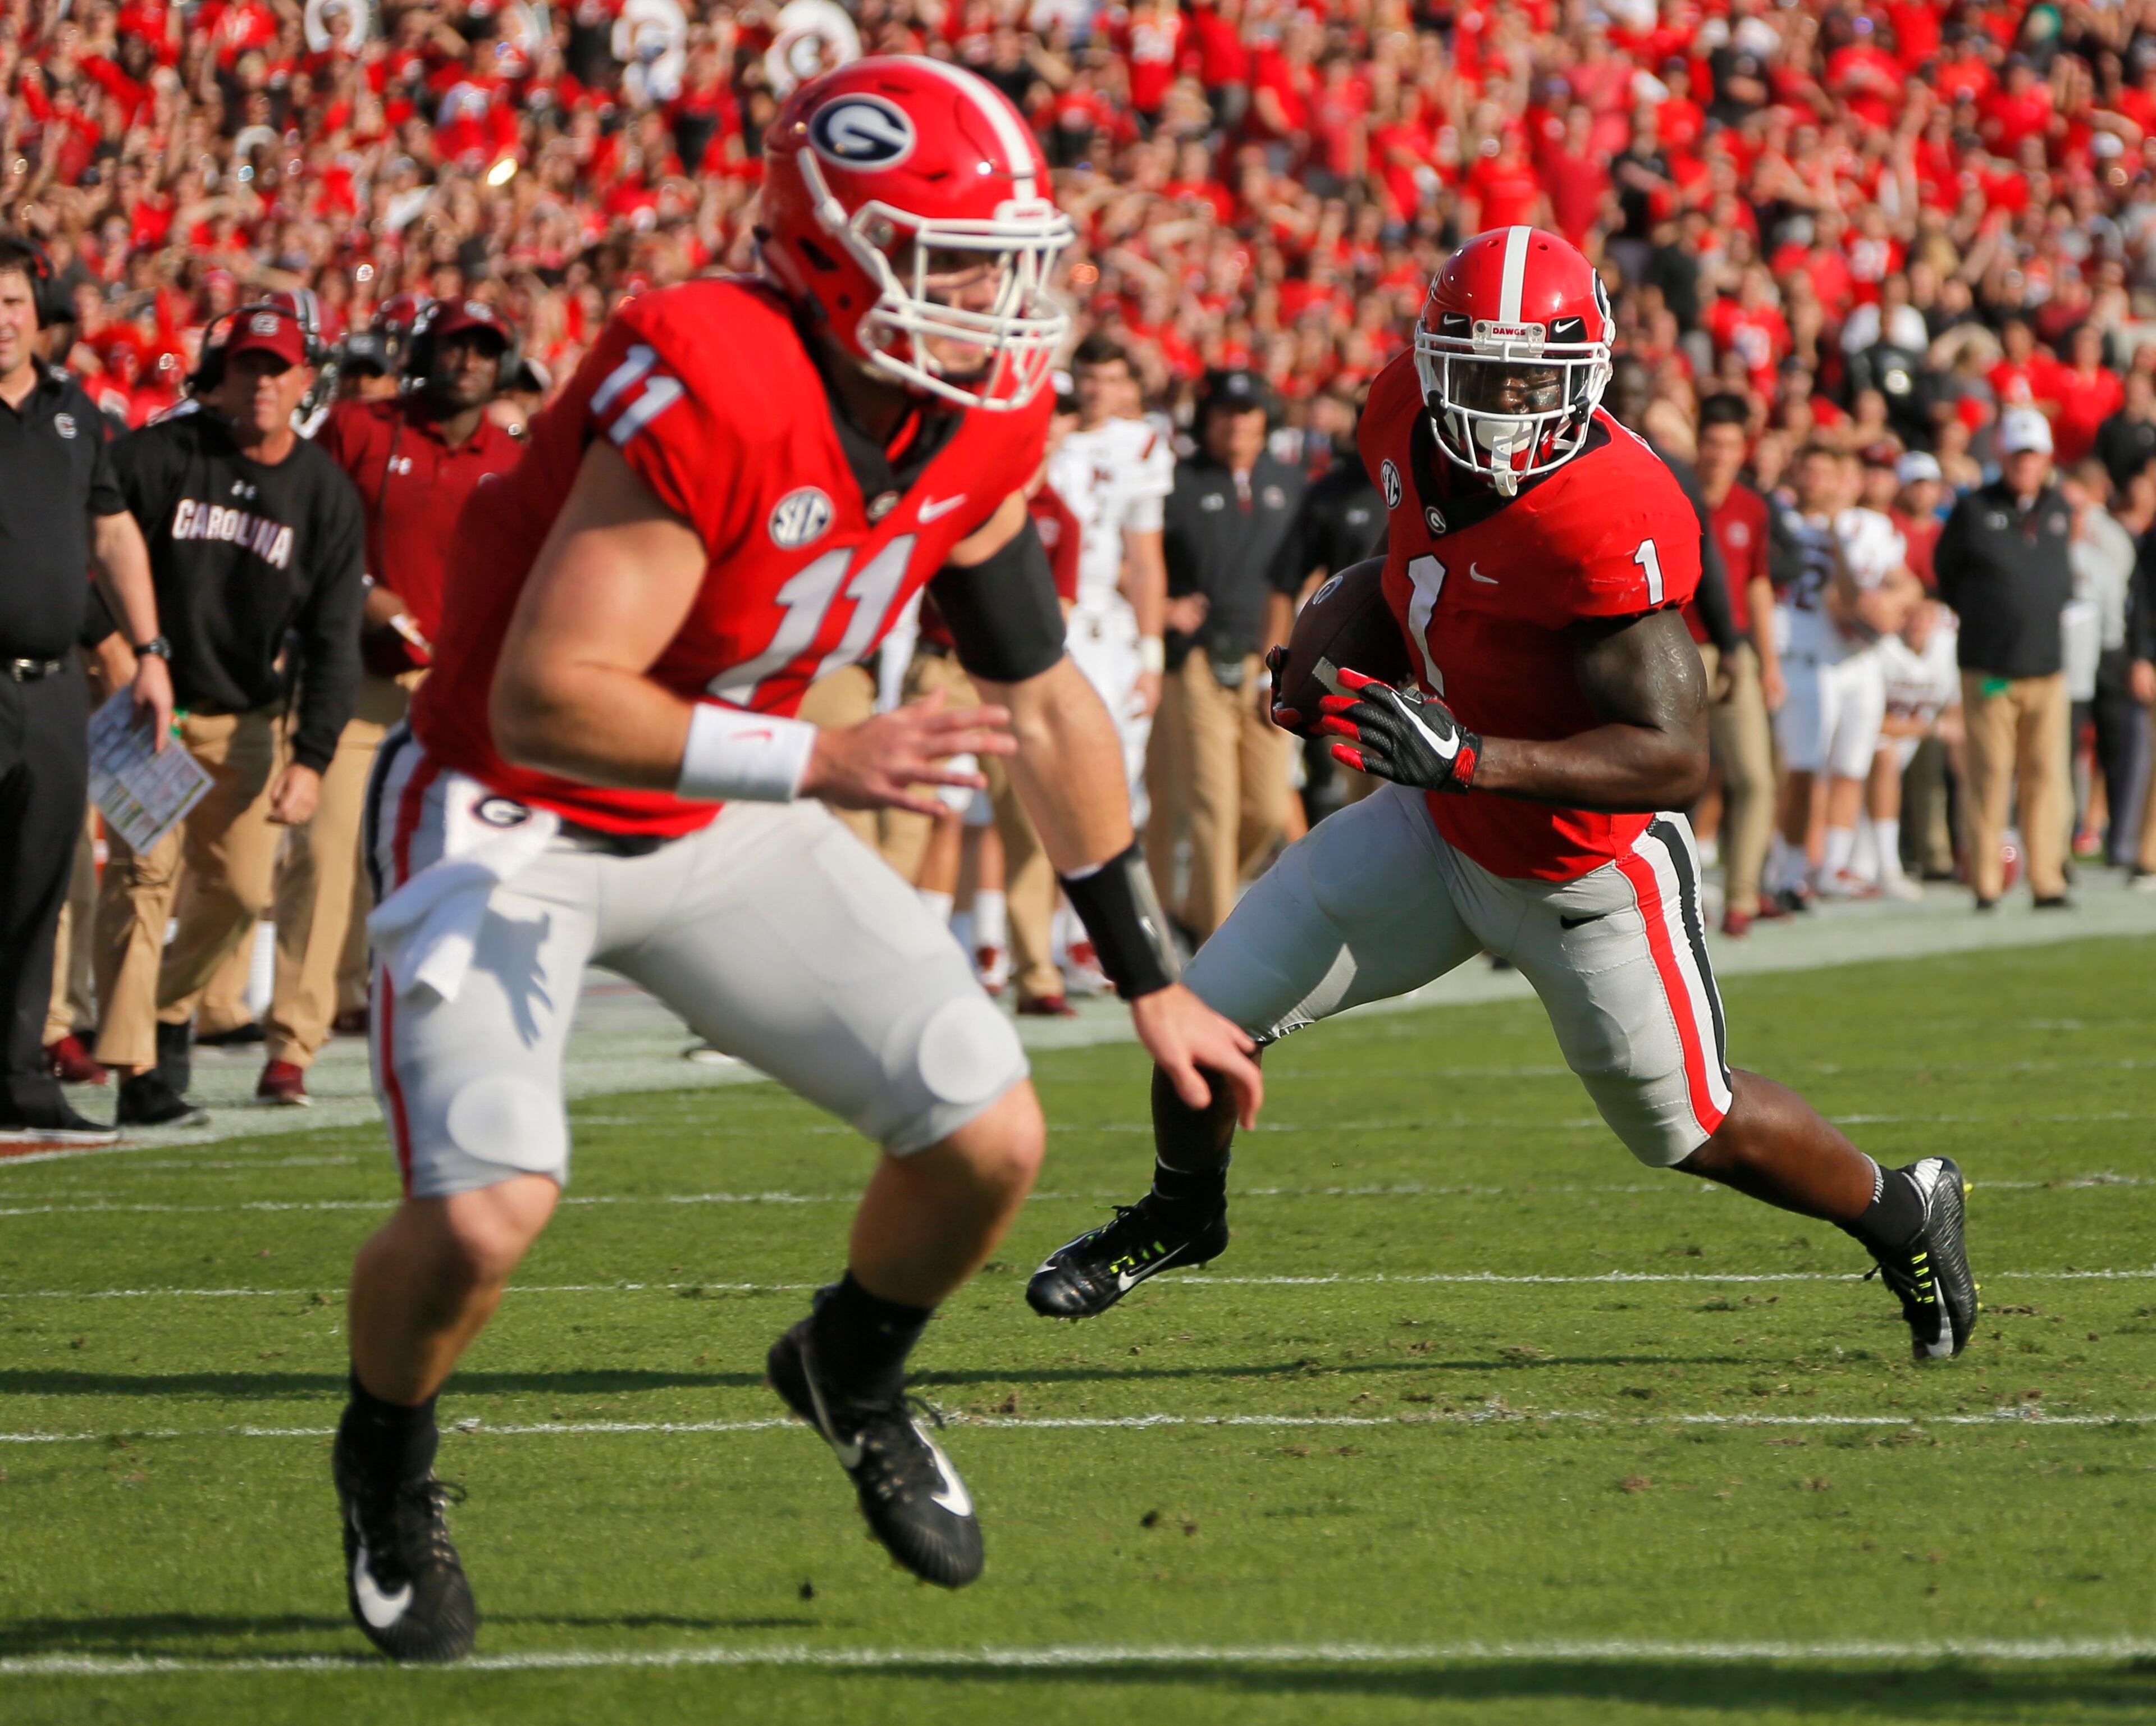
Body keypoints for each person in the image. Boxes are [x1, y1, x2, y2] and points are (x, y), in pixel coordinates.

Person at [331, 58, 1261, 1665]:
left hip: (719, 809)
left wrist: (1154, 982)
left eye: (1003, 261)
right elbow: (554, 695)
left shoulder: (977, 412)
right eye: (951, 259)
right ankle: (387, 1458)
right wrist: (818, 759)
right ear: (833, 248)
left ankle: (852, 1362)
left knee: (985, 1130)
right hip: (508, 808)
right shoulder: (712, 367)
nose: (992, 299)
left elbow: (1042, 692)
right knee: (486, 1214)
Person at [1027, 227, 1975, 1385]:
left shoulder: (1608, 512)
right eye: (1476, 374)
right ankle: (1182, 1211)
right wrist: (1337, 648)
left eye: (1532, 378)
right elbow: (1410, 569)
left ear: (1586, 374)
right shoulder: (1395, 419)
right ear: (1428, 364)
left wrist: (1472, 755)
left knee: (1690, 1126)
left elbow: (1675, 758)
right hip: (1435, 830)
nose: (1504, 406)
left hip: (1587, 869)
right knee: (1205, 1015)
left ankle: (1903, 1209)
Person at [92, 304, 366, 1126]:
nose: (264, 383)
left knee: (245, 891)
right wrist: (119, 655)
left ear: (306, 379)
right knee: (144, 880)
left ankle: (166, 1010)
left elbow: (333, 637)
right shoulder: (159, 455)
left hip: (249, 719)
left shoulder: (323, 494)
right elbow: (89, 543)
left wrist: (313, 757)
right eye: (248, 366)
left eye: (279, 367)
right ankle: (140, 1073)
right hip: (150, 709)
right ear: (222, 378)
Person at [263, 300, 526, 1105]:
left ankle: (453, 1038)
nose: (467, 363)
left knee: (464, 869)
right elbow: (295, 520)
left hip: (463, 692)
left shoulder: (515, 458)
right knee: (328, 857)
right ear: (423, 352)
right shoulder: (360, 429)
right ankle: (291, 1047)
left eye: (484, 350)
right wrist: (361, 591)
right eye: (454, 347)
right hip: (357, 678)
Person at [0, 235, 172, 1147]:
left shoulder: (76, 415)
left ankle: (19, 1076)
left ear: (40, 316)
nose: (1, 323)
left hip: (56, 683)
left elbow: (113, 537)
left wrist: (148, 649)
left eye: (14, 305)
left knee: (38, 885)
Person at [1148, 369, 1307, 939]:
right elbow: (1135, 553)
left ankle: (1193, 911)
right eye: (1225, 412)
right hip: (1195, 659)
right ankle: (1217, 941)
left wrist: (1287, 655)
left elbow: (1299, 577)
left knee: (1266, 808)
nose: (1237, 422)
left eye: (1247, 410)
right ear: (1207, 419)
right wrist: (1161, 606)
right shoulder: (1176, 480)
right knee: (1213, 805)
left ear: (1265, 418)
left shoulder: (1289, 482)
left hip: (1266, 661)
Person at [1934, 407, 2075, 909]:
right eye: (2017, 455)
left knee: (2046, 778)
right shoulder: (1973, 510)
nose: (2025, 464)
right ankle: (1987, 882)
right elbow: (1945, 573)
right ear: (2001, 455)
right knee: (1991, 774)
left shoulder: (2058, 508)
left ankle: (2047, 878)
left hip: (2047, 668)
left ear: (2046, 458)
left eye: (2033, 454)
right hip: (1990, 668)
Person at [1045, 334, 1172, 815]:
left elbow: (1145, 562)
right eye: (1091, 378)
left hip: (1101, 618)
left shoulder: (1139, 446)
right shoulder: (1045, 431)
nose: (1099, 391)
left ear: (1128, 388)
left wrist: (1150, 656)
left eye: (1113, 380)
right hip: (1039, 606)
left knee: (1111, 775)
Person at [1689, 391, 1781, 933]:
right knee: (1679, 781)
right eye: (1712, 443)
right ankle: (1682, 895)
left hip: (1735, 651)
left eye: (1730, 444)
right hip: (1677, 650)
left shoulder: (1753, 507)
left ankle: (1743, 896)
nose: (1720, 454)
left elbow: (1759, 585)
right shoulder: (1675, 492)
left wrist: (1768, 663)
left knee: (1755, 776)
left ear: (1743, 449)